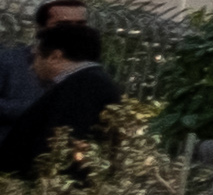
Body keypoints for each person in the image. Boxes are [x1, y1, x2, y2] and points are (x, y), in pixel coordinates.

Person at [0, 20, 123, 180]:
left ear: (54, 56)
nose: (32, 66)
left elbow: (61, 145)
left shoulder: (83, 86)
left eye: (36, 57)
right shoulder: (87, 82)